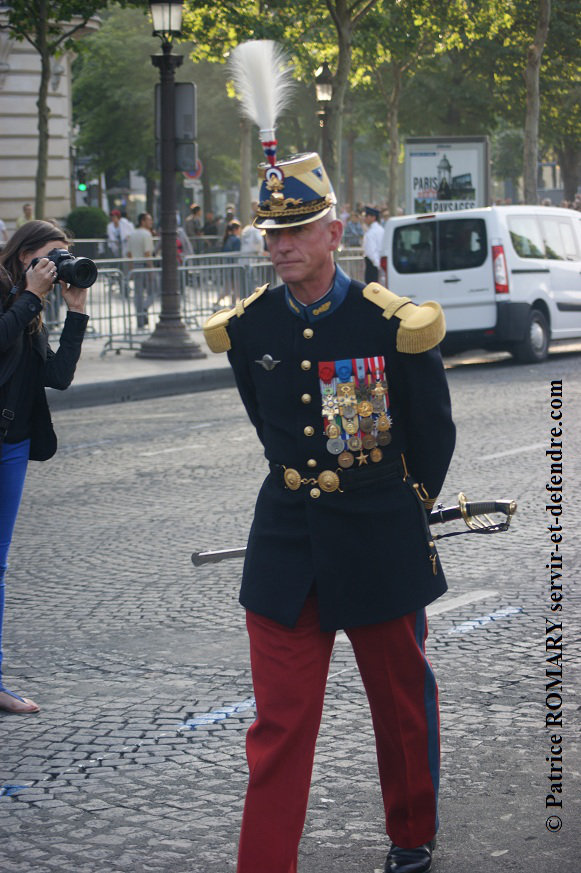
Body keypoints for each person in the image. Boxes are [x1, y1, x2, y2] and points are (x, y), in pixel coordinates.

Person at [204, 151, 456, 873]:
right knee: (278, 723)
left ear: (334, 231)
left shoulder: (392, 324)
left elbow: (430, 433)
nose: (280, 244)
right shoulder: (248, 329)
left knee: (401, 705)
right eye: (271, 232)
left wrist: (403, 512)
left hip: (379, 537)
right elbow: (268, 428)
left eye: (298, 229)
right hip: (285, 548)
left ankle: (411, 836)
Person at [0, 220, 89, 714]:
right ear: (24, 255)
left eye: (64, 257)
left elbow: (56, 376)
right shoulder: (14, 296)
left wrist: (75, 313)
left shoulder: (32, 307)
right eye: (52, 256)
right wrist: (30, 297)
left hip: (12, 444)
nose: (58, 267)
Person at [127, 212, 155, 329]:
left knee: (138, 294)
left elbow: (129, 253)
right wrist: (151, 269)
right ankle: (144, 308)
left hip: (136, 265)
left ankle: (140, 319)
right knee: (153, 291)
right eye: (149, 220)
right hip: (144, 264)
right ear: (142, 221)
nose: (151, 222)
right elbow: (147, 253)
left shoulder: (132, 234)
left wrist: (131, 268)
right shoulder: (146, 234)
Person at [362, 204, 384, 283]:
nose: (365, 218)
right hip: (379, 263)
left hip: (373, 265)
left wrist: (376, 264)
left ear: (373, 217)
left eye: (367, 216)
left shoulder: (371, 233)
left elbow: (370, 252)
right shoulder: (381, 230)